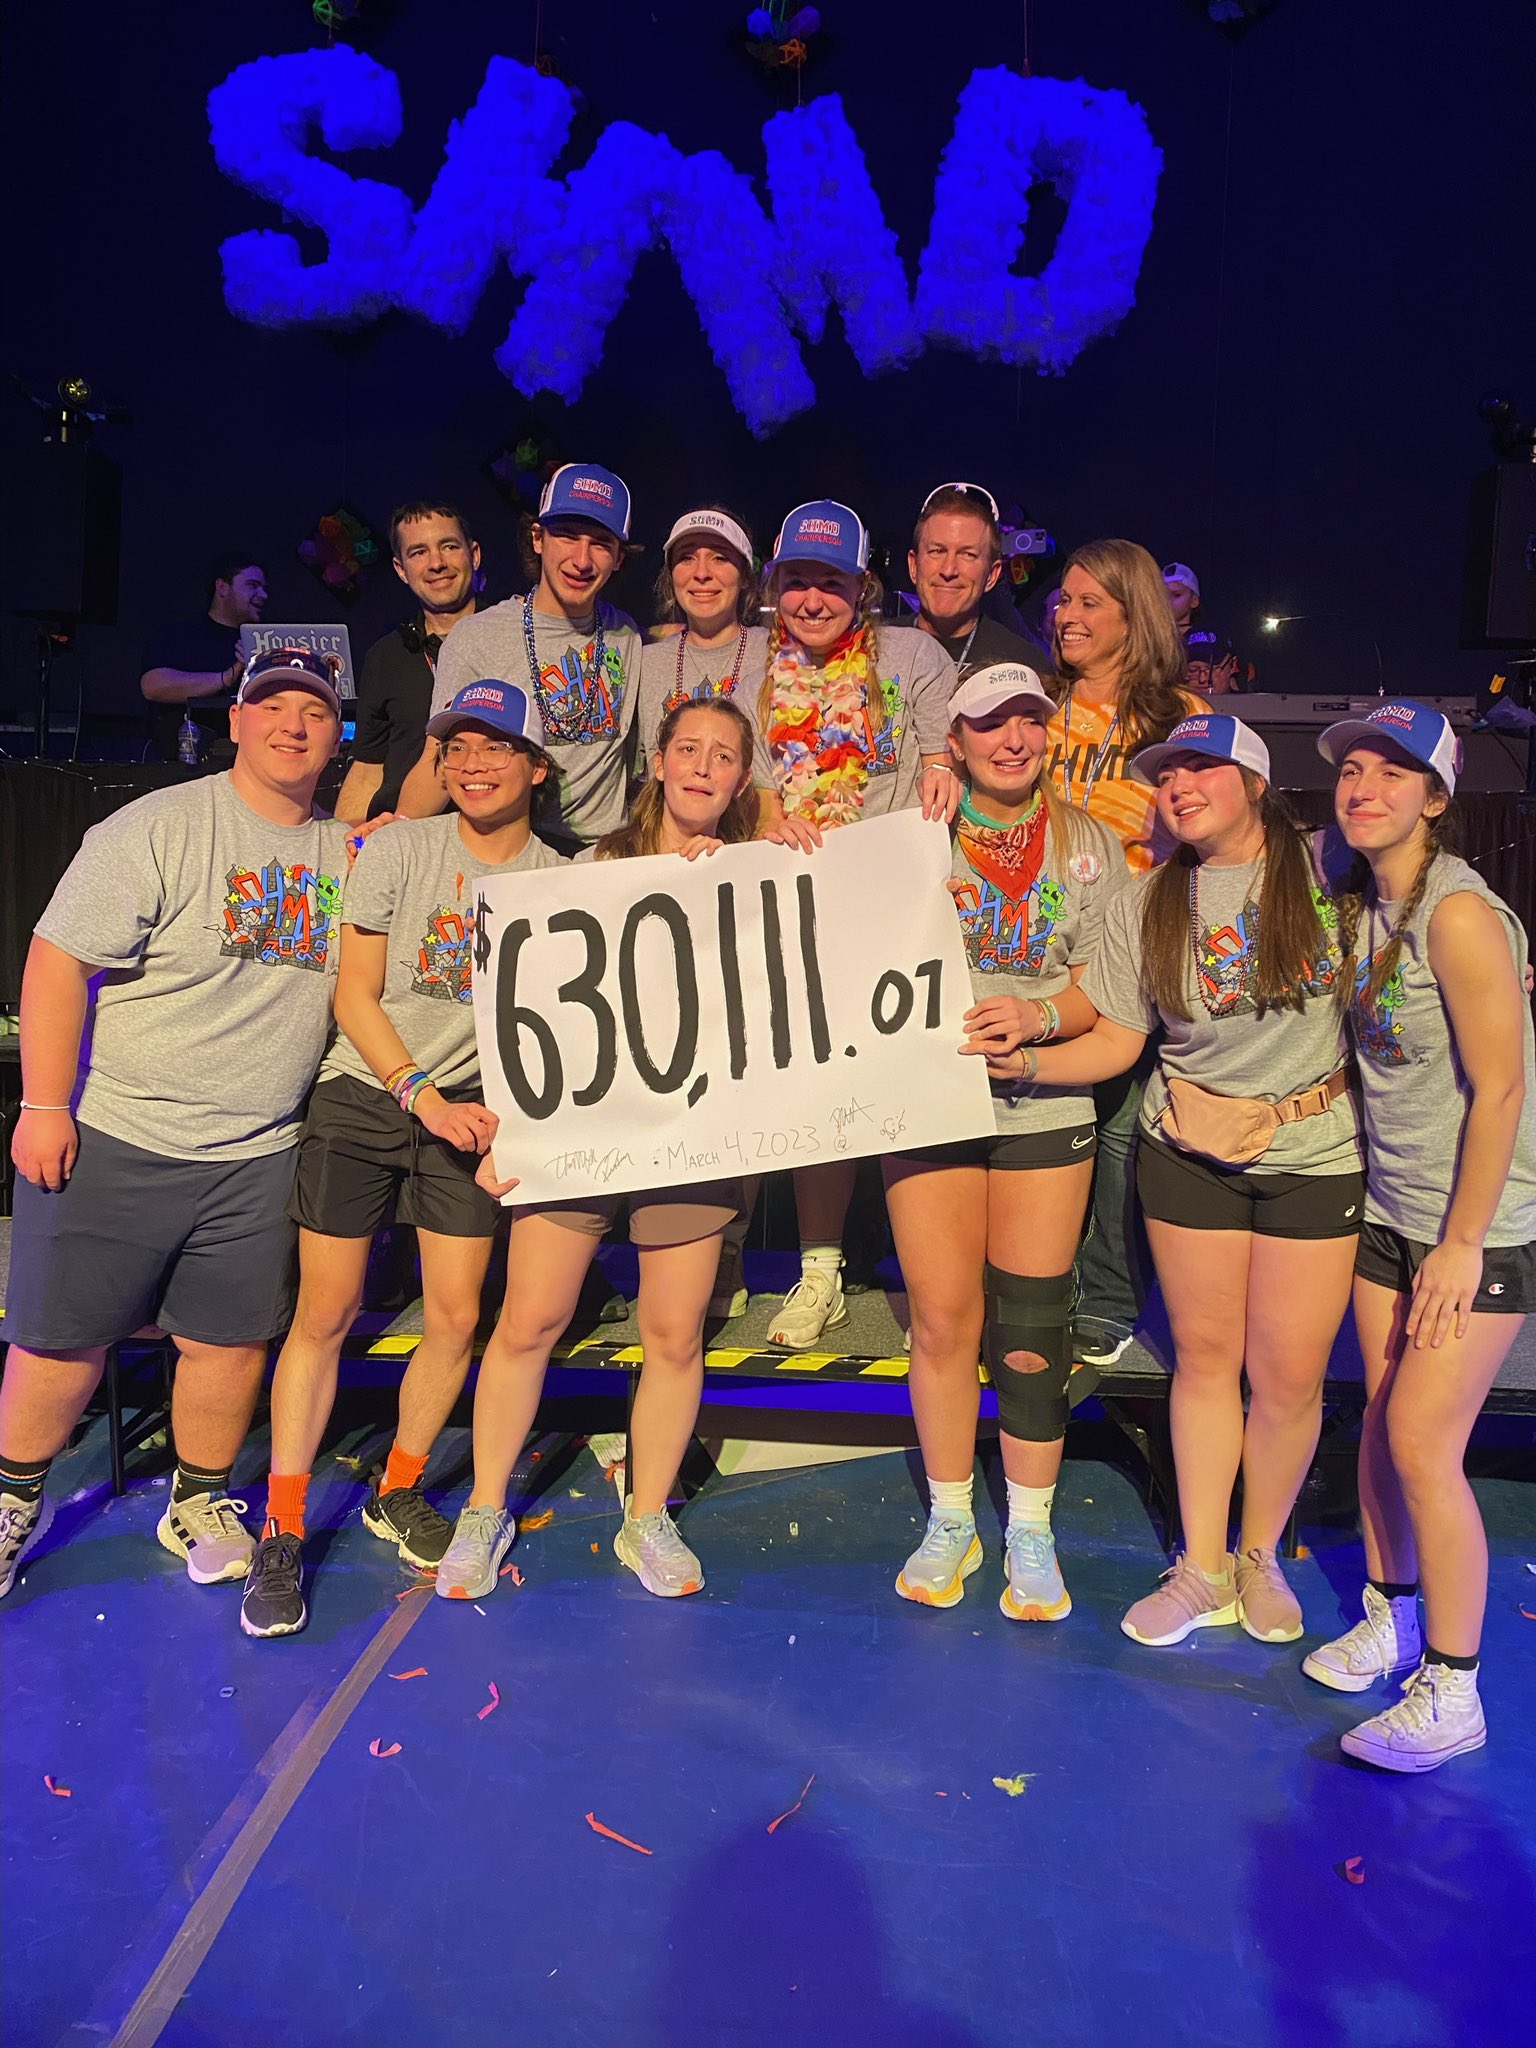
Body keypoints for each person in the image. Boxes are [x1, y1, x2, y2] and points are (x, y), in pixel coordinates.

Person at [0, 650, 347, 1600]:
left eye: (312, 710)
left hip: (258, 1151)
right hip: (118, 1132)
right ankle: (10, 1508)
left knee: (227, 1343)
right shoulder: (157, 826)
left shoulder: (348, 851)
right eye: (269, 705)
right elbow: (57, 960)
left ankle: (197, 1499)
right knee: (60, 1340)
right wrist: (43, 1105)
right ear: (234, 722)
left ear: (336, 732)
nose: (291, 723)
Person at [1017, 714, 1363, 1648]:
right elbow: (1122, 1041)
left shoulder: (1331, 868)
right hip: (1190, 1150)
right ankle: (1202, 1566)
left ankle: (1263, 1555)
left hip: (1313, 1151)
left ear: (1254, 780)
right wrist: (1018, 1064)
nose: (1178, 785)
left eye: (1202, 767)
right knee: (1205, 1363)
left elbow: (1426, 909)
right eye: (1167, 773)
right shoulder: (1145, 899)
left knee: (1288, 1376)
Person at [239, 679, 563, 1639]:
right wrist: (424, 1096)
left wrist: (498, 1111)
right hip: (369, 1096)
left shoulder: (557, 877)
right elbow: (355, 998)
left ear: (536, 769)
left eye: (494, 747)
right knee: (326, 1311)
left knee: (458, 1316)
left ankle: (400, 1487)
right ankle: (284, 1528)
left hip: (476, 1120)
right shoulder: (397, 849)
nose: (470, 764)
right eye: (455, 747)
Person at [434, 697, 773, 1602]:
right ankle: (484, 1508)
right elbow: (528, 1012)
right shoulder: (584, 869)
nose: (703, 767)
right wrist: (513, 1125)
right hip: (579, 1131)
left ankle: (647, 1514)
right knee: (529, 1321)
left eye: (725, 756)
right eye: (688, 749)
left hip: (692, 1135)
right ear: (658, 761)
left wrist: (736, 880)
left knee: (673, 1332)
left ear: (743, 777)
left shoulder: (757, 874)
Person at [1300, 703, 1535, 1772]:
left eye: (1393, 772)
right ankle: (1390, 1616)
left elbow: (1501, 1091)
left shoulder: (1459, 916)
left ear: (1436, 798)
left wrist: (1464, 1242)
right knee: (1381, 1420)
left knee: (1422, 1442)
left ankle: (1454, 1684)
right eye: (1352, 768)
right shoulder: (1358, 899)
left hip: (1475, 1224)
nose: (1364, 787)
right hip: (1393, 1206)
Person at [879, 662, 1128, 1617]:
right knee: (942, 1322)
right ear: (960, 737)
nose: (1013, 740)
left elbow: (1104, 990)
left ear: (1051, 729)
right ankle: (950, 1517)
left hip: (1044, 1110)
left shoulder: (1093, 843)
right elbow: (819, 881)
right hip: (928, 1106)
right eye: (991, 724)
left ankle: (1030, 1524)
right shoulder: (912, 824)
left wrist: (1037, 1015)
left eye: (1030, 720)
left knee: (1031, 1330)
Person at [756, 498, 960, 1347]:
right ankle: (821, 1273)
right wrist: (768, 814)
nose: (812, 599)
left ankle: (930, 1287)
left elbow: (945, 755)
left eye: (830, 581)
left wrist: (944, 766)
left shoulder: (913, 654)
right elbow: (750, 773)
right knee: (821, 1096)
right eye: (797, 580)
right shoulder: (752, 668)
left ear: (862, 586)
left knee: (910, 1095)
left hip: (897, 911)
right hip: (796, 912)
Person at [1046, 538, 1204, 1368]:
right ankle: (1036, 1284)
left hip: (1131, 944)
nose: (1067, 616)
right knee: (1042, 1118)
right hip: (1039, 943)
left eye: (1087, 604)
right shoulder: (1037, 700)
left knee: (1116, 1127)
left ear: (1132, 616)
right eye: (1063, 602)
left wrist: (1170, 825)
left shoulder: (1178, 715)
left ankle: (1105, 1295)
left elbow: (1219, 826)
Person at [636, 507, 774, 1320]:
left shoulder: (779, 651)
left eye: (720, 559)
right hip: (645, 860)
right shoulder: (649, 658)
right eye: (687, 558)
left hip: (738, 852)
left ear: (746, 574)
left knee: (739, 1047)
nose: (702, 573)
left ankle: (724, 1243)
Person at [399, 463, 641, 852]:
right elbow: (439, 762)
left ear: (618, 558)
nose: (582, 560)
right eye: (566, 535)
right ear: (538, 539)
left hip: (604, 858)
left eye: (600, 543)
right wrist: (398, 830)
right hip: (513, 857)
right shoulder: (476, 638)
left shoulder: (628, 637)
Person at [334, 502, 484, 823]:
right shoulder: (385, 656)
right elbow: (366, 771)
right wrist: (343, 846)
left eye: (449, 546)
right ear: (401, 569)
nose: (436, 563)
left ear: (474, 555)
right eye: (418, 552)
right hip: (401, 838)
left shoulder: (511, 639)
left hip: (489, 837)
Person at [138, 552, 268, 762]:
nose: (263, 595)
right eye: (253, 585)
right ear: (222, 587)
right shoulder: (180, 636)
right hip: (183, 767)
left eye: (264, 587)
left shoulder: (266, 640)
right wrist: (227, 677)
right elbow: (153, 686)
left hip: (254, 767)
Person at [907, 483, 1047, 677]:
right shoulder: (873, 647)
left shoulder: (1023, 665)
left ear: (992, 575)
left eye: (968, 555)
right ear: (914, 565)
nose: (948, 570)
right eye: (937, 551)